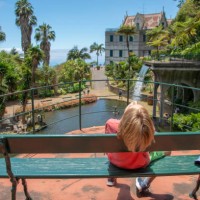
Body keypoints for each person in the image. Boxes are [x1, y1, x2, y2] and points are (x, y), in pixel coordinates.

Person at [105, 101, 170, 197]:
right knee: (168, 151)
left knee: (115, 151)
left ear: (126, 116)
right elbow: (148, 151)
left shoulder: (110, 124)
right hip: (139, 164)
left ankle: (111, 177)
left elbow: (108, 147)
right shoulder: (149, 131)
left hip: (115, 162)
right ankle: (145, 184)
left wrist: (127, 112)